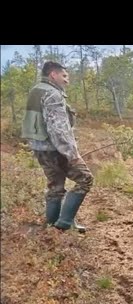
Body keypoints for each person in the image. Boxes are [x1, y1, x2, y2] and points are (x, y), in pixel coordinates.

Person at [21, 61, 94, 232]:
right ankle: (64, 224)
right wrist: (71, 153)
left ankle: (53, 226)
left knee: (55, 186)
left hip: (40, 148)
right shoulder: (53, 94)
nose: (67, 80)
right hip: (55, 149)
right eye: (64, 76)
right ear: (53, 75)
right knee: (85, 179)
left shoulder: (36, 90)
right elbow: (58, 129)